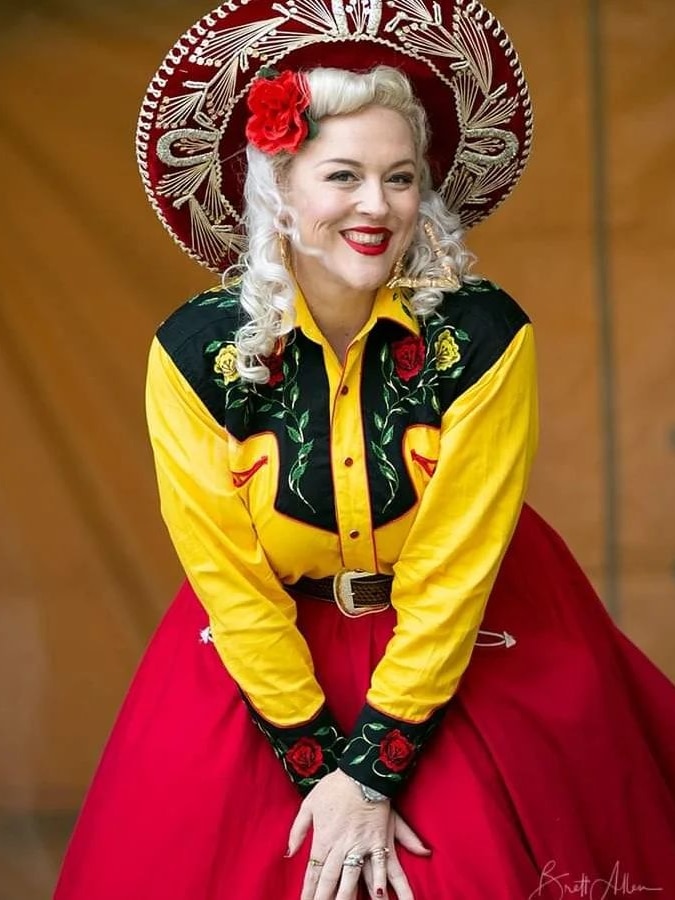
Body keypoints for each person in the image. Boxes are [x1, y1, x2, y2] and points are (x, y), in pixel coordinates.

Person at [54, 2, 675, 898]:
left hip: (465, 638)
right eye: (341, 175)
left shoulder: (486, 338)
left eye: (399, 177)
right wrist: (324, 779)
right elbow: (227, 576)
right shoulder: (193, 355)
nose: (374, 207)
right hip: (267, 653)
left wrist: (374, 771)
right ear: (279, 188)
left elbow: (455, 571)